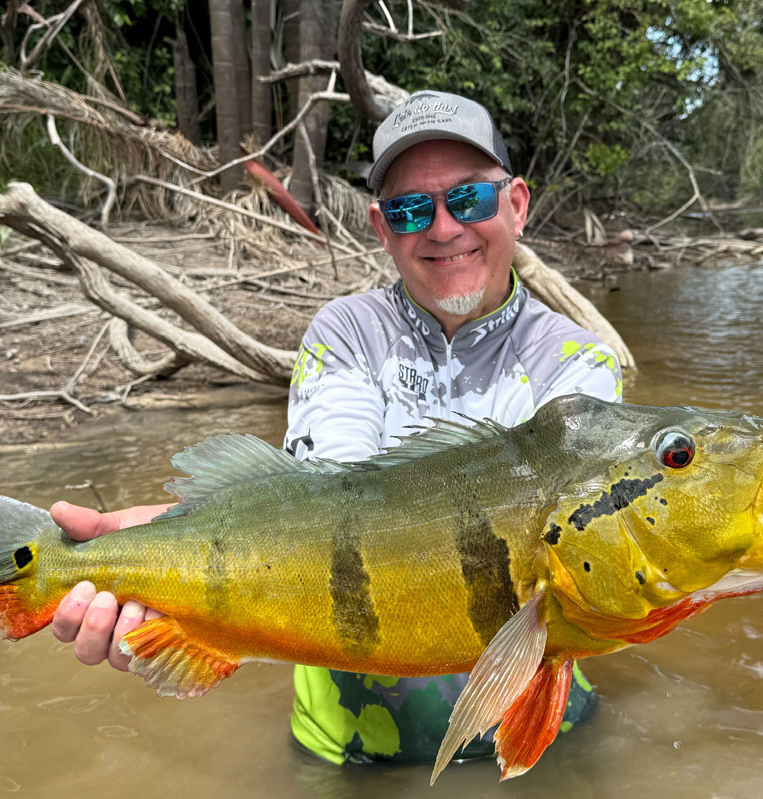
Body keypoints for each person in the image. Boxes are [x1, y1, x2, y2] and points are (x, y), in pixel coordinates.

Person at [49, 90, 622, 766]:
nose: (442, 229)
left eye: (468, 200)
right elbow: (326, 504)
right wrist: (175, 550)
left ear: (516, 204)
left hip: (542, 738)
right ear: (382, 228)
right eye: (411, 209)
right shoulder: (344, 334)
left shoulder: (578, 360)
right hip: (349, 752)